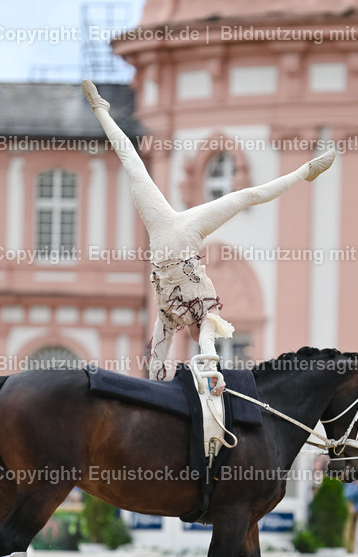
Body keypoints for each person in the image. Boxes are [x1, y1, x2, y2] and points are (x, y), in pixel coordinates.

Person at [82, 79, 336, 393]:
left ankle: (101, 110)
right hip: (185, 231)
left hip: (165, 231)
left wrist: (157, 384)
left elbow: (160, 355)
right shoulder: (204, 313)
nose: (192, 335)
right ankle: (304, 172)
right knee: (241, 195)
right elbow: (205, 347)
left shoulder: (169, 316)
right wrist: (211, 375)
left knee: (135, 165)